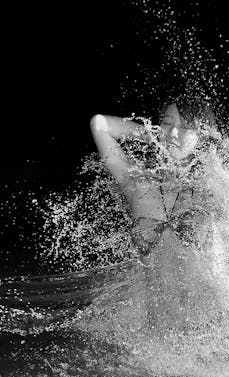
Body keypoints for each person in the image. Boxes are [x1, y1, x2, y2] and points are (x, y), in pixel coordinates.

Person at [89, 96, 217, 331]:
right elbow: (100, 124)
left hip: (209, 338)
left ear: (204, 135)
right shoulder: (138, 186)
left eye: (186, 127)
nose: (174, 134)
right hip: (156, 343)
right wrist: (154, 136)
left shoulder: (214, 189)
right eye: (167, 124)